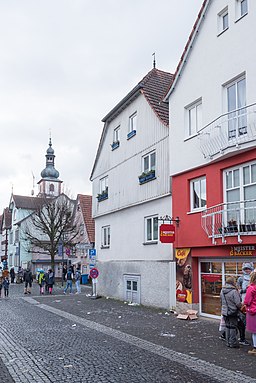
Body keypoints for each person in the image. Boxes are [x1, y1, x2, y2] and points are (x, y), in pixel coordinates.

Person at [220, 276, 242, 348]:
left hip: (224, 311)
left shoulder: (222, 290)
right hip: (232, 311)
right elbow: (238, 303)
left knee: (227, 326)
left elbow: (221, 301)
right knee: (233, 327)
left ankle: (227, 342)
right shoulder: (234, 291)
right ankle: (232, 342)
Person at [244, 271, 256, 355]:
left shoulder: (251, 288)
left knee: (254, 331)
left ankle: (255, 348)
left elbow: (247, 301)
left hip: (253, 311)